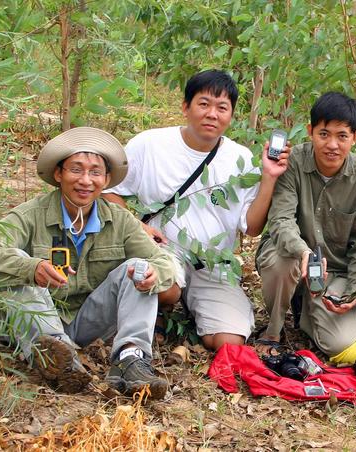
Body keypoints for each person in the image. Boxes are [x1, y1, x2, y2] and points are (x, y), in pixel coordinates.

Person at [0, 127, 179, 399]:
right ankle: (56, 358)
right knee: (19, 263)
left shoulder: (120, 219)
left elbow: (163, 260)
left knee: (139, 267)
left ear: (105, 179)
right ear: (59, 174)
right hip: (38, 321)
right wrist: (32, 268)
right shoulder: (31, 214)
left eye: (95, 172)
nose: (85, 180)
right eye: (76, 170)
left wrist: (155, 273)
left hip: (88, 322)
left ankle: (130, 360)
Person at [103, 69, 290, 351]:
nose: (212, 114)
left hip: (212, 262)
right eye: (204, 104)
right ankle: (163, 310)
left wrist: (269, 177)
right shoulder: (150, 144)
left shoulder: (240, 160)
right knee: (164, 288)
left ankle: (195, 308)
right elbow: (108, 191)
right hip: (162, 251)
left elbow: (251, 228)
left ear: (231, 115)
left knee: (229, 342)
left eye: (222, 107)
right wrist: (137, 226)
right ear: (185, 107)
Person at [255, 92, 356, 365]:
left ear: (355, 137)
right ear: (311, 131)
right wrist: (303, 252)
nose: (332, 145)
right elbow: (281, 221)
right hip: (290, 256)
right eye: (324, 134)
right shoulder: (293, 164)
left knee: (339, 345)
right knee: (283, 260)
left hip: (334, 271)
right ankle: (273, 331)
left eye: (342, 136)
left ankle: (306, 308)